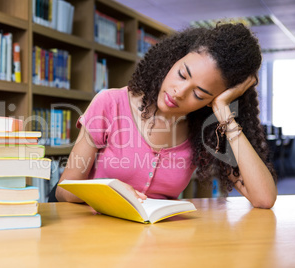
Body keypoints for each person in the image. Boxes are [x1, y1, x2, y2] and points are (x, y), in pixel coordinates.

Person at [55, 23, 277, 208]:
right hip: (97, 237)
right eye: (182, 74)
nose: (179, 92)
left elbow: (264, 198)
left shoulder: (206, 131)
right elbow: (64, 190)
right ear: (173, 60)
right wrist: (109, 191)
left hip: (159, 245)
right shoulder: (110, 104)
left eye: (199, 94)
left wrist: (224, 111)